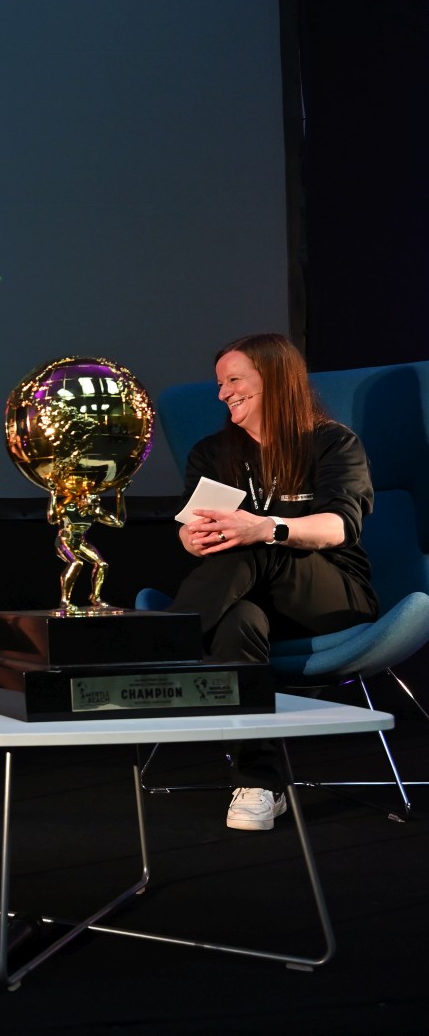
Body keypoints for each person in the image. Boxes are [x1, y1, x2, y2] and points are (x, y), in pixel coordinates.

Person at [168, 333, 377, 830]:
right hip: (242, 600)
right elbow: (188, 530)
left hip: (332, 593)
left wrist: (270, 528)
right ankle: (261, 782)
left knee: (260, 549)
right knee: (239, 620)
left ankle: (158, 652)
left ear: (277, 380)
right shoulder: (213, 452)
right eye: (220, 384)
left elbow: (340, 527)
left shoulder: (332, 442)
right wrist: (191, 539)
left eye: (235, 380)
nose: (223, 394)